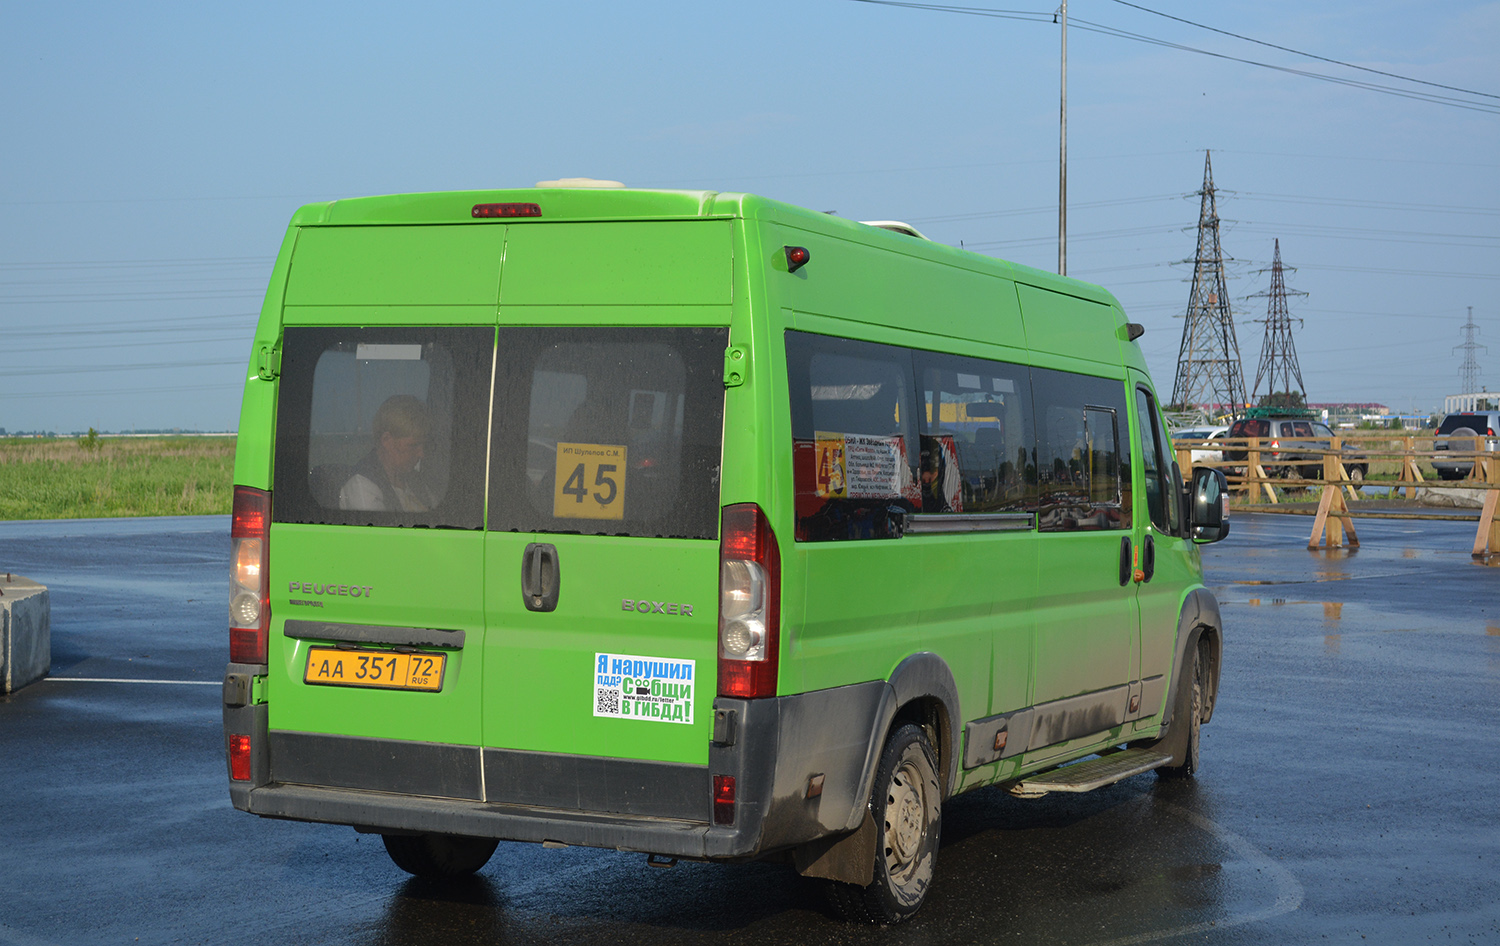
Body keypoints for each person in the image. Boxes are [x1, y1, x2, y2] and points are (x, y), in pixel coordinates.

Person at [339, 395, 437, 512]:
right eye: (413, 445)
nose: (421, 454)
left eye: (423, 445)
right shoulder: (362, 487)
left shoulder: (415, 481)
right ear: (387, 440)